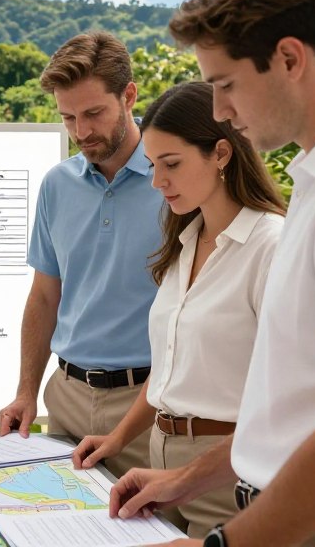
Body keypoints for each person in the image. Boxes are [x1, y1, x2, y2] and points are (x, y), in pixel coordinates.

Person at [110, 0, 315, 547]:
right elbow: (292, 414)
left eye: (225, 84)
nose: (220, 110)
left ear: (290, 58)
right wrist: (188, 480)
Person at [72, 81, 285, 538]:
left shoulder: (273, 246)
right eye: (152, 165)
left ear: (222, 154)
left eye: (171, 164)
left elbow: (290, 395)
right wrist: (118, 438)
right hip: (158, 457)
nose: (156, 181)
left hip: (230, 470)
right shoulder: (183, 243)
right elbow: (170, 367)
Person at [0, 31, 164, 478]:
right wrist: (26, 392)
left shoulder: (175, 181)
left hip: (149, 404)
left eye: (94, 113)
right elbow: (45, 297)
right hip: (67, 400)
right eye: (68, 117)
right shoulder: (57, 185)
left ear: (129, 96)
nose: (82, 132)